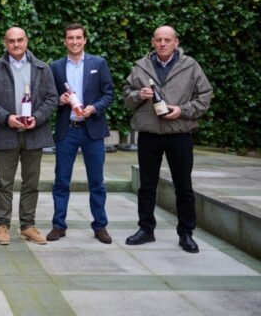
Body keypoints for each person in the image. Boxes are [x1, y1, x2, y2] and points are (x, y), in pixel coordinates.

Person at [123, 25, 213, 253]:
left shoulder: (191, 66)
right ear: (152, 42)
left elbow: (205, 97)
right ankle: (146, 229)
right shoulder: (140, 66)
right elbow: (126, 97)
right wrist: (137, 95)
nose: (163, 43)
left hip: (179, 134)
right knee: (147, 185)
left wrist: (181, 110)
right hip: (149, 134)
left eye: (167, 40)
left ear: (176, 42)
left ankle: (186, 233)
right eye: (158, 40)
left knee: (183, 186)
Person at [0, 27, 58, 245]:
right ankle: (2, 226)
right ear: (5, 43)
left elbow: (52, 99)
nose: (16, 44)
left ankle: (27, 225)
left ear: (26, 41)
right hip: (7, 132)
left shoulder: (42, 68)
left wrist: (37, 117)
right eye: (11, 41)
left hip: (34, 133)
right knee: (4, 183)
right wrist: (7, 118)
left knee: (31, 182)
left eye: (20, 40)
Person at [48, 24, 114, 244]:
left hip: (92, 130)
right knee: (61, 181)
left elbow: (108, 94)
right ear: (64, 41)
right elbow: (49, 98)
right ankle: (59, 225)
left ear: (85, 40)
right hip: (67, 130)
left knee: (97, 182)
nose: (75, 41)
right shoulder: (55, 67)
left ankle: (100, 226)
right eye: (70, 38)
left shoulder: (98, 63)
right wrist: (60, 100)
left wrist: (94, 108)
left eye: (78, 38)